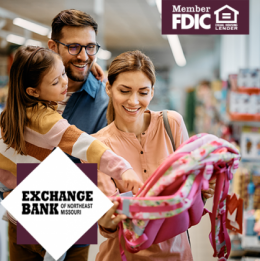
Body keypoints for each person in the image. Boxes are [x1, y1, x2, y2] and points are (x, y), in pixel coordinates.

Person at [0, 46, 143, 261]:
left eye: (63, 74)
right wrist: (124, 169)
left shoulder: (10, 113)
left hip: (16, 201)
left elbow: (33, 63)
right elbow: (87, 145)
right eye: (55, 82)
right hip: (45, 214)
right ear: (33, 91)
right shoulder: (46, 120)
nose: (65, 83)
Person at [92, 50, 216, 261]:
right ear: (109, 88)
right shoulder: (97, 146)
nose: (134, 101)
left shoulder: (172, 123)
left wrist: (203, 188)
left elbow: (192, 194)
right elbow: (107, 226)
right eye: (124, 90)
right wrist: (106, 220)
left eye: (143, 92)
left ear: (152, 92)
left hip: (177, 254)